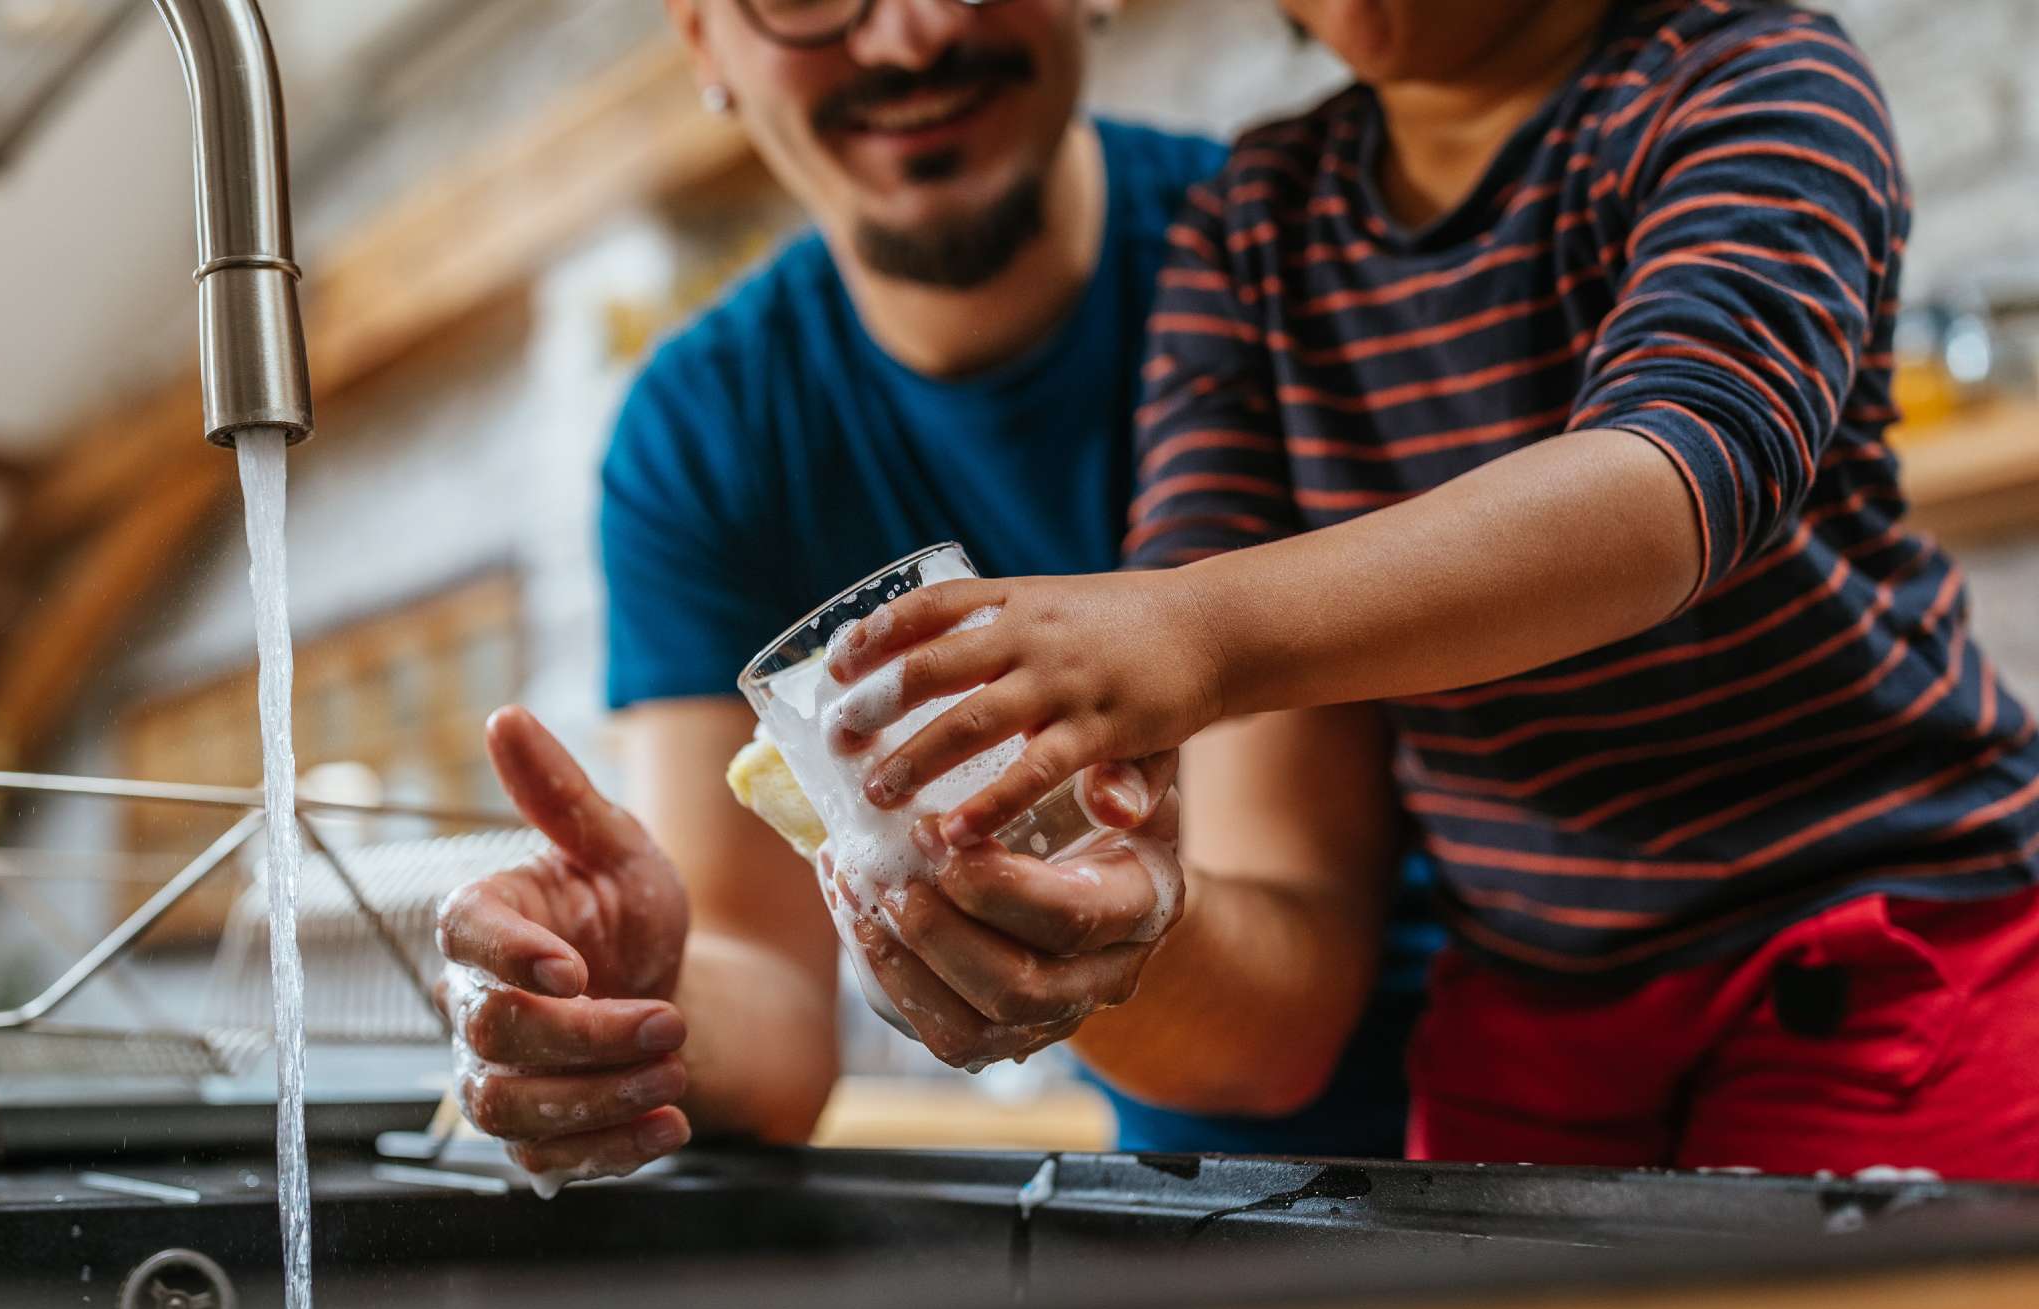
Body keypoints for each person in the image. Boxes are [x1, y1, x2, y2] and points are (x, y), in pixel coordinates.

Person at [831, 0, 2039, 1177]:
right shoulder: (1253, 226)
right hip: (1526, 1009)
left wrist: (1189, 634)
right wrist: (1091, 841)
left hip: (1887, 942)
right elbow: (1198, 618)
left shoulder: (1749, 75)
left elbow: (1676, 482)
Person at [434, 0, 1442, 1187]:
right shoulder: (703, 433)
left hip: (1508, 1150)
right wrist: (634, 1005)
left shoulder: (1264, 270)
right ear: (702, 40)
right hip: (1200, 1204)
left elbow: (1281, 1025)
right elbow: (769, 1007)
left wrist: (1070, 921)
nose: (909, 39)